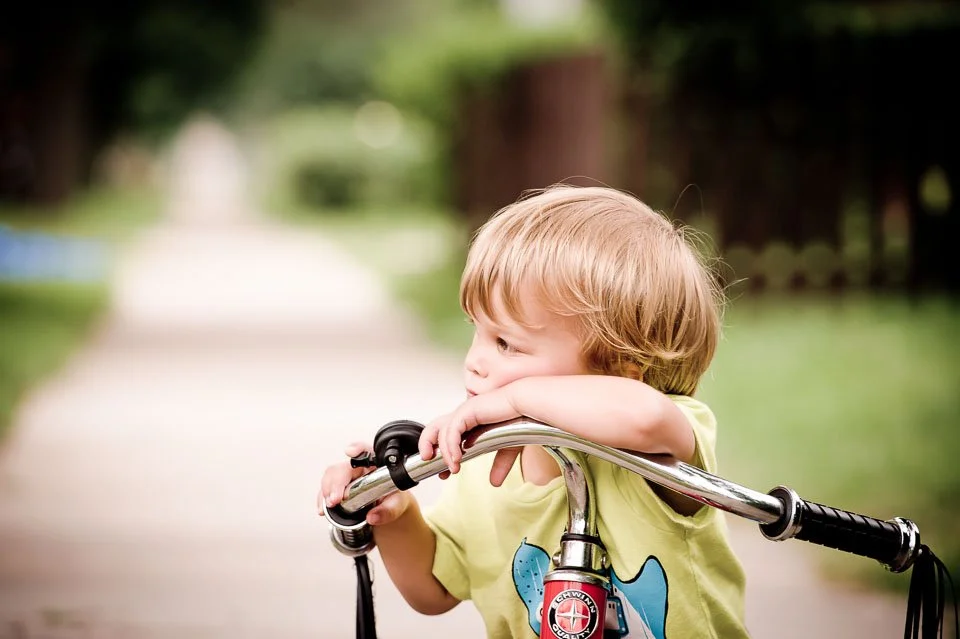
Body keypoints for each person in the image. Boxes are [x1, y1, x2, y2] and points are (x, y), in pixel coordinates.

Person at [320, 184, 748, 638]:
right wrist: (396, 511)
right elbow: (433, 588)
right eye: (478, 332)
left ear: (623, 372)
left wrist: (515, 400)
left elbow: (646, 416)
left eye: (506, 344)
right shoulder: (485, 468)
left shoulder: (659, 454)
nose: (474, 361)